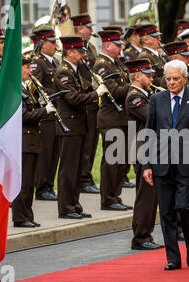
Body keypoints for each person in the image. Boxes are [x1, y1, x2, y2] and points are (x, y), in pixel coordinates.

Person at [143, 59, 189, 270]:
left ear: (185, 79)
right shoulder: (157, 99)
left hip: (187, 164)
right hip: (162, 164)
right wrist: (147, 165)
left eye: (175, 79)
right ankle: (172, 257)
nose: (171, 83)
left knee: (184, 206)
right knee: (167, 212)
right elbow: (150, 132)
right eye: (168, 79)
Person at [55, 36, 107, 219]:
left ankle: (74, 204)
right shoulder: (64, 71)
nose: (83, 55)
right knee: (68, 169)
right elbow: (73, 98)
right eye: (80, 52)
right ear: (70, 52)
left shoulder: (76, 70)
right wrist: (96, 94)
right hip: (69, 126)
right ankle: (65, 208)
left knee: (77, 169)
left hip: (78, 125)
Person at [93, 29, 133, 211]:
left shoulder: (116, 63)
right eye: (118, 45)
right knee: (112, 161)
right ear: (107, 45)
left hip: (121, 118)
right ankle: (108, 199)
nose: (121, 48)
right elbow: (114, 91)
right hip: (111, 118)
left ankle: (115, 196)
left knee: (120, 161)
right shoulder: (102, 65)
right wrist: (135, 85)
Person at [11, 56, 54, 227]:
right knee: (24, 182)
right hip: (23, 140)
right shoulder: (14, 90)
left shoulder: (25, 88)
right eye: (27, 68)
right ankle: (20, 217)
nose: (30, 71)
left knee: (30, 183)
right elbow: (23, 116)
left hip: (32, 140)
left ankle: (27, 215)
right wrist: (45, 111)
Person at [124, 59, 162, 250]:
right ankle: (140, 237)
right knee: (145, 195)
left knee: (151, 195)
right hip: (142, 150)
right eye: (148, 75)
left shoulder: (147, 94)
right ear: (137, 76)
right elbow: (151, 117)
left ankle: (146, 234)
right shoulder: (134, 96)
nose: (152, 78)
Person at [70, 13, 101, 195]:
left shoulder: (89, 47)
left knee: (92, 141)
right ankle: (83, 178)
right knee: (86, 144)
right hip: (84, 100)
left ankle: (86, 175)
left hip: (93, 99)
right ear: (80, 29)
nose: (91, 31)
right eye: (88, 28)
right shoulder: (74, 48)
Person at [30, 28, 60, 202]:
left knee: (54, 152)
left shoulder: (53, 61)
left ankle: (49, 185)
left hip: (54, 112)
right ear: (41, 44)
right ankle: (42, 187)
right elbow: (34, 87)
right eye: (51, 41)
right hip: (45, 114)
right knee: (46, 152)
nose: (55, 44)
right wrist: (57, 92)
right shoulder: (37, 62)